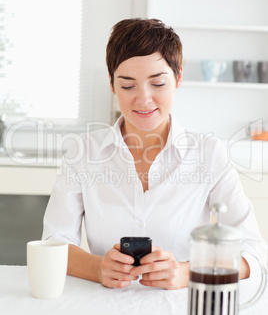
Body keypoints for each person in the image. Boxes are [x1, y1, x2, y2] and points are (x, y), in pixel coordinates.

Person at [42, 18, 267, 290]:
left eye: (157, 84)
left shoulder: (208, 154)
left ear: (178, 78)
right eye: (127, 86)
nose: (144, 99)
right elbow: (54, 243)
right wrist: (98, 268)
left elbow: (255, 253)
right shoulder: (83, 152)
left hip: (183, 313)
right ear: (112, 85)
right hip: (103, 306)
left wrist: (189, 272)